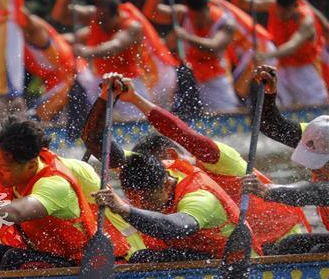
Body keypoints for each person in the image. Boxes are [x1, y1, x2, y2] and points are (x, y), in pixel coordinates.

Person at [82, 73, 310, 255]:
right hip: (217, 242)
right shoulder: (157, 169)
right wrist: (104, 98)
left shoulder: (220, 163)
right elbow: (94, 141)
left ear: (170, 156)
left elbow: (182, 134)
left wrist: (136, 100)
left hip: (278, 239)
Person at [0, 71, 129, 271]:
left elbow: (14, 212)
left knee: (13, 258)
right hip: (46, 255)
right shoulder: (1, 155)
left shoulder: (54, 184)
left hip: (82, 266)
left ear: (31, 165)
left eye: (4, 169)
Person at [94, 151, 262, 263]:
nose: (142, 205)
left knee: (144, 257)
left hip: (234, 264)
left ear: (166, 185)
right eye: (134, 199)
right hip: (195, 253)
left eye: (147, 199)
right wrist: (105, 98)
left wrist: (124, 209)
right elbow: (101, 145)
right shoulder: (150, 168)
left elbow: (173, 228)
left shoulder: (200, 198)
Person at [52, 0, 177, 119]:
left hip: (128, 82)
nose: (100, 24)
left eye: (105, 20)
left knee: (138, 123)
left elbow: (115, 46)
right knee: (95, 125)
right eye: (98, 19)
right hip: (99, 82)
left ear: (117, 14)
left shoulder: (132, 26)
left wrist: (87, 51)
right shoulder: (96, 16)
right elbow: (59, 15)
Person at [254, 65, 329, 252]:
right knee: (289, 245)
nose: (312, 170)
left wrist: (268, 191)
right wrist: (270, 94)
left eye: (319, 165)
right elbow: (272, 126)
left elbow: (318, 192)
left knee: (318, 251)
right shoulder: (320, 133)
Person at [143, 0, 241, 112]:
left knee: (227, 112)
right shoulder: (183, 14)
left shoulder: (225, 23)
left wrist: (186, 36)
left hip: (214, 76)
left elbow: (214, 46)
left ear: (208, 8)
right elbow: (151, 12)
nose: (196, 21)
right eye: (193, 17)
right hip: (188, 75)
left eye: (200, 17)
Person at [231, 0, 328, 106]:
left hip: (305, 71)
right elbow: (239, 2)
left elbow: (292, 45)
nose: (281, 13)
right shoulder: (272, 5)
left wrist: (267, 55)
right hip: (281, 68)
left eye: (286, 10)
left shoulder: (306, 21)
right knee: (279, 107)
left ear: (295, 5)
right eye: (279, 8)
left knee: (316, 109)